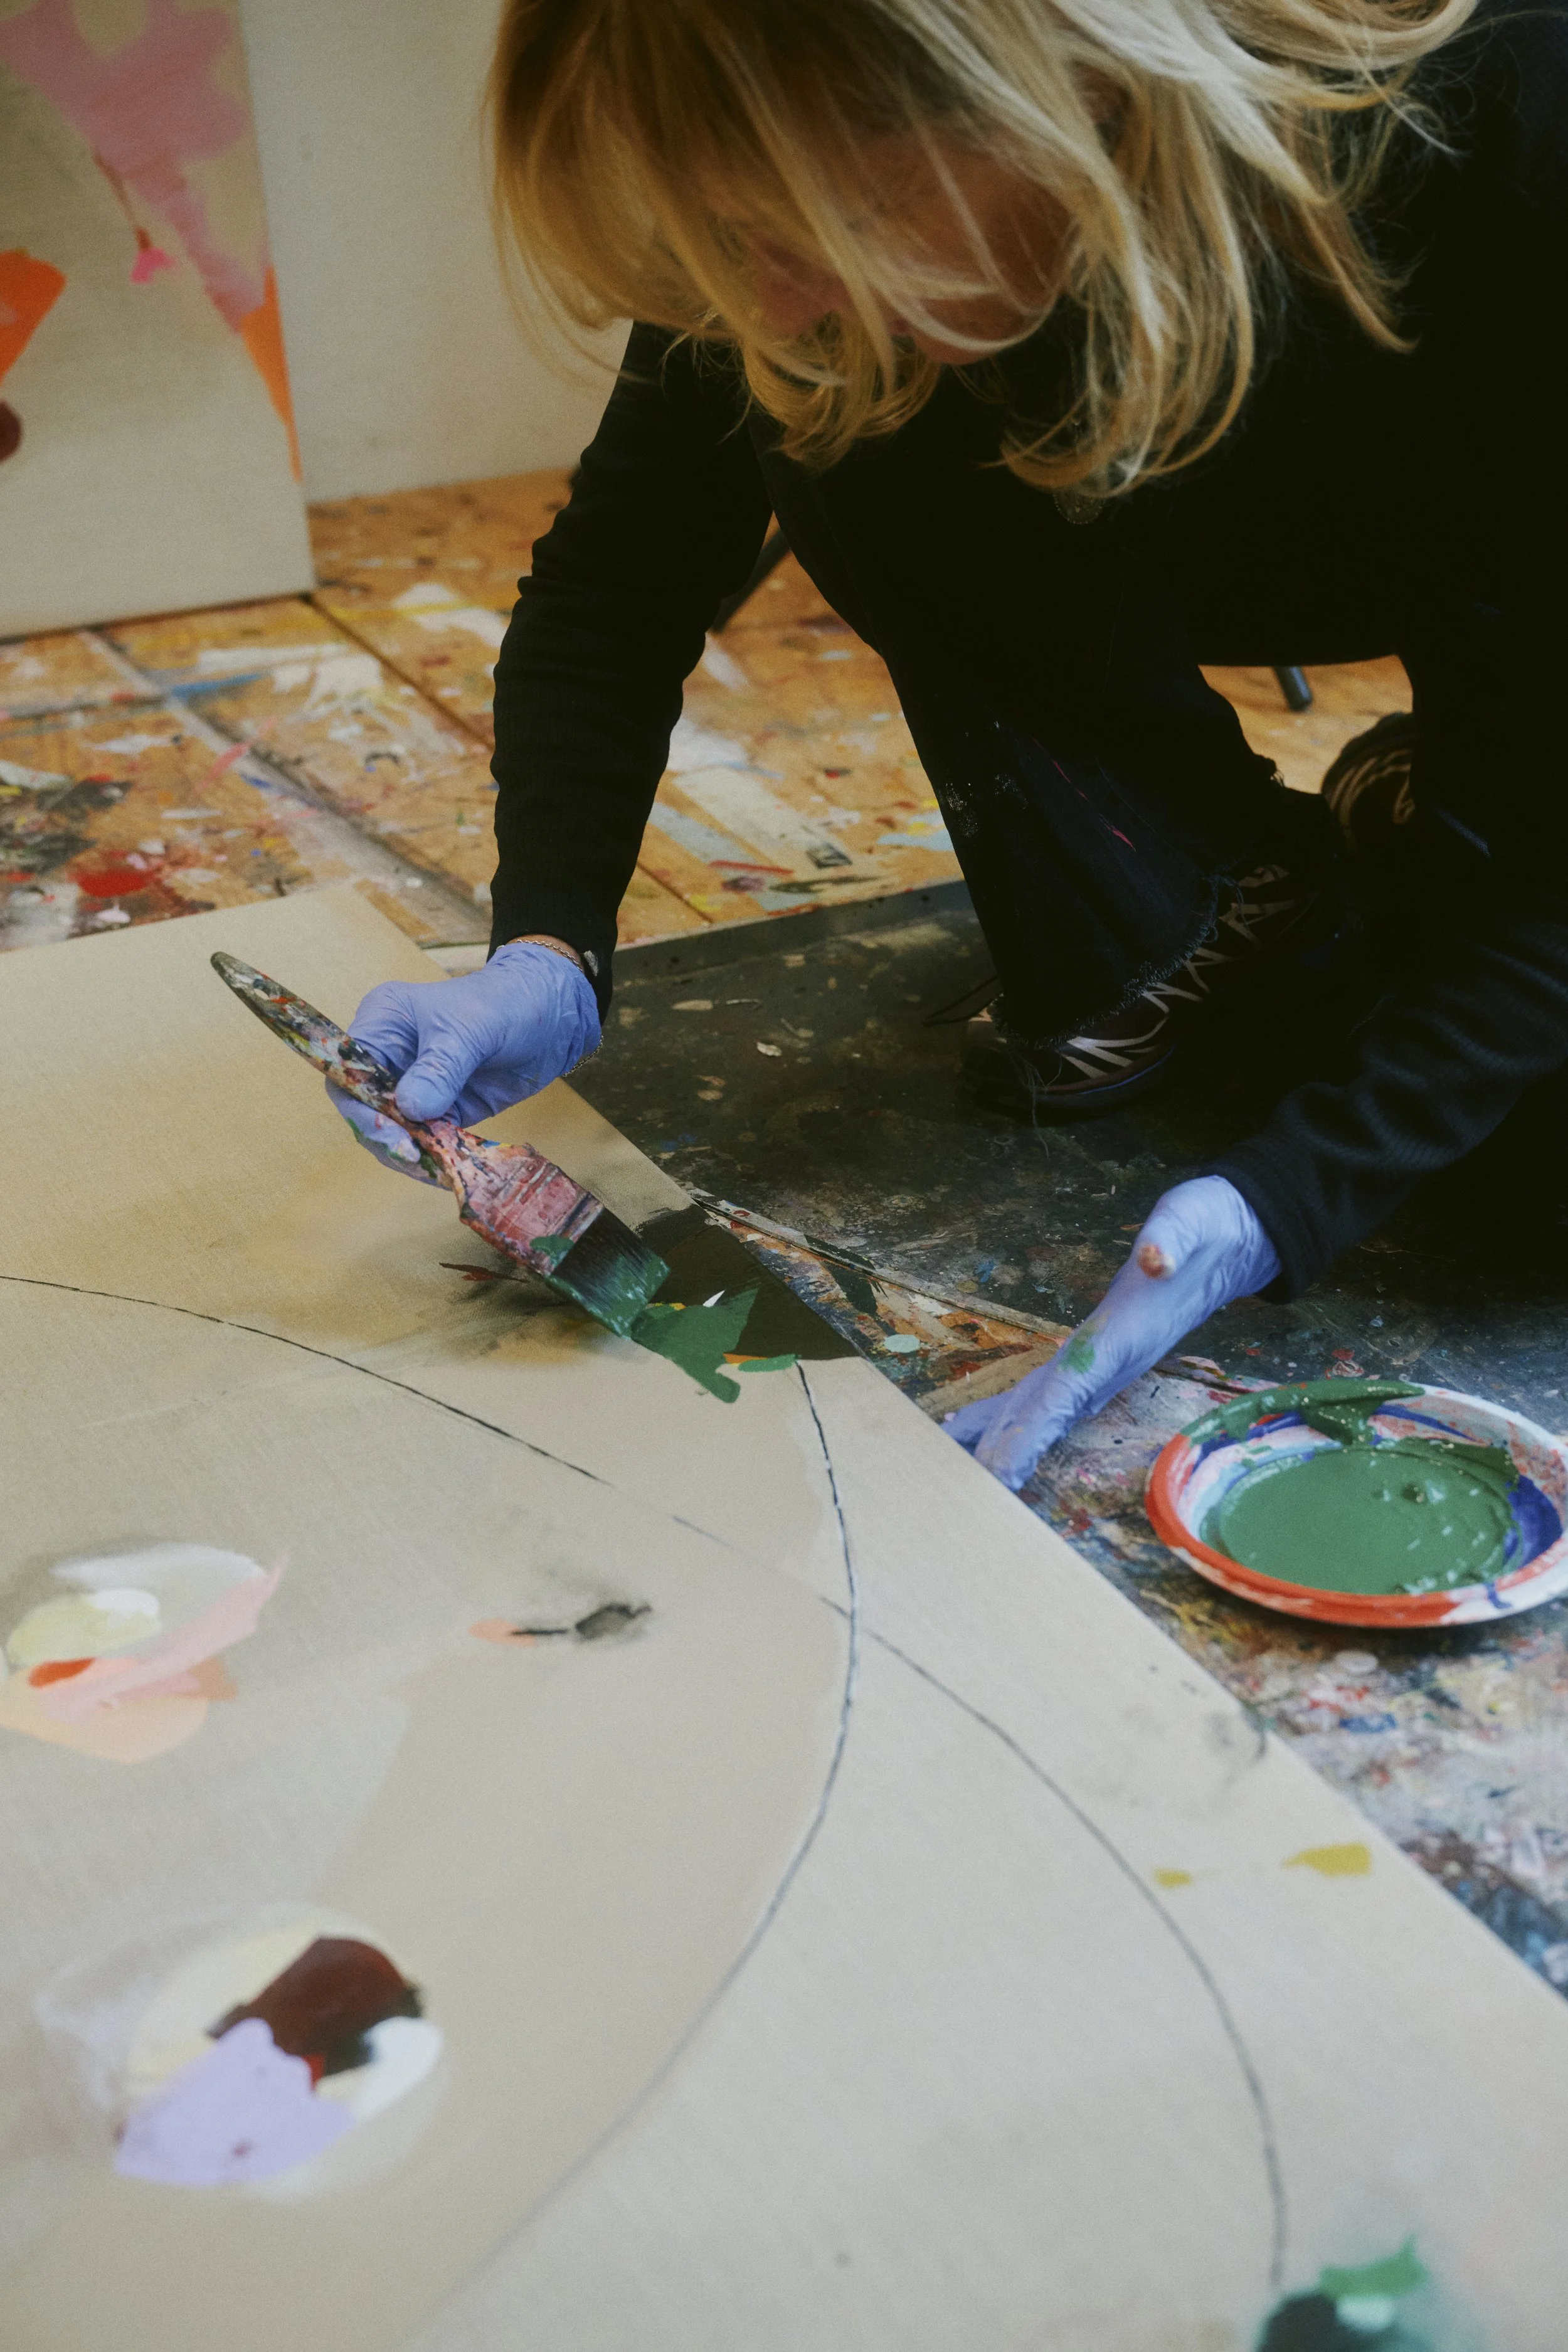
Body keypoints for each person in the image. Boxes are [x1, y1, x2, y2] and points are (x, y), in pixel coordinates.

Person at [333, 0, 1567, 1492]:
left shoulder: (1511, 117)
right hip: (1212, 490)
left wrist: (1274, 1202)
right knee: (811, 392)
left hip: (1476, 532)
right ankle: (1241, 885)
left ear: (1061, 82)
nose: (771, 292)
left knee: (1527, 1193)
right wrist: (547, 937)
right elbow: (622, 571)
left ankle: (1447, 810)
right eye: (729, 238)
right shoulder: (786, 172)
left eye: (829, 219)